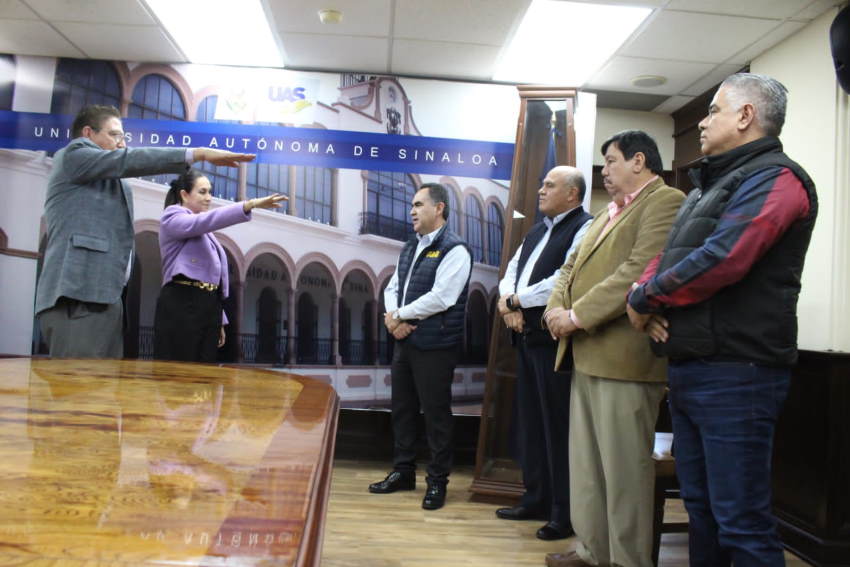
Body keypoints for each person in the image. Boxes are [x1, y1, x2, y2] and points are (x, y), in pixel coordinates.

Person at [627, 73, 817, 567]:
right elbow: (667, 256)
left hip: (738, 372)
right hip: (692, 367)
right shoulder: (704, 188)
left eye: (713, 110)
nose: (703, 122)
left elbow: (724, 258)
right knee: (702, 510)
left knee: (741, 522)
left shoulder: (778, 179)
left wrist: (646, 298)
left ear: (746, 116)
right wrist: (639, 295)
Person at [543, 130, 684, 567]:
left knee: (624, 476)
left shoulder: (666, 201)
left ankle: (628, 561)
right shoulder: (607, 211)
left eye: (611, 161)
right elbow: (568, 268)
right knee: (587, 470)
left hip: (626, 361)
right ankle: (591, 552)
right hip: (585, 355)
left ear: (639, 161)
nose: (604, 171)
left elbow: (637, 271)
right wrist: (554, 309)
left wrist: (575, 316)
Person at [35, 104, 255, 358]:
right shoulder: (73, 155)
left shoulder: (110, 179)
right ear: (87, 133)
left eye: (123, 137)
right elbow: (129, 160)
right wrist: (197, 154)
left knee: (101, 382)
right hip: (78, 295)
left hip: (108, 299)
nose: (122, 143)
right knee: (78, 379)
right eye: (114, 135)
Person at [494, 165, 591, 540]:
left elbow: (565, 279)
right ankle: (535, 498)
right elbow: (512, 270)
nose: (540, 190)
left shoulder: (584, 226)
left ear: (572, 194)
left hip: (554, 342)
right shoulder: (537, 229)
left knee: (557, 427)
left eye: (549, 185)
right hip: (525, 336)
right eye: (541, 184)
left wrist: (516, 301)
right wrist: (508, 302)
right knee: (531, 423)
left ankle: (563, 513)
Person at [368, 183, 472, 511]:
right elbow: (394, 286)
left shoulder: (456, 249)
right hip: (405, 341)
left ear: (439, 208)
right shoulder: (411, 245)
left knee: (436, 415)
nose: (411, 211)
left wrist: (400, 315)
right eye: (412, 205)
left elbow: (443, 297)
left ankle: (437, 481)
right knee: (403, 409)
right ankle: (403, 472)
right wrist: (392, 318)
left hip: (436, 345)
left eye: (418, 205)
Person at [154, 169, 286, 362]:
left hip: (208, 306)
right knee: (180, 367)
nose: (209, 197)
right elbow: (205, 221)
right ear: (184, 195)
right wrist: (250, 204)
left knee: (204, 369)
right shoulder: (172, 217)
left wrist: (219, 319)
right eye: (202, 192)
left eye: (210, 192)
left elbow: (211, 281)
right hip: (182, 301)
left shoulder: (204, 232)